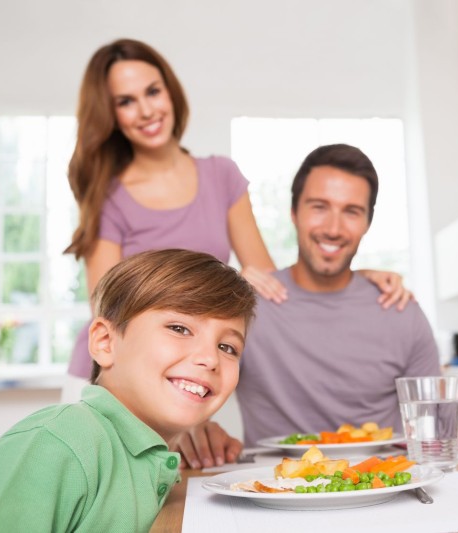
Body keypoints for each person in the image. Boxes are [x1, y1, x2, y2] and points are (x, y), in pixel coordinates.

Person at [64, 38, 411, 386]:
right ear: (111, 115)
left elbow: (272, 286)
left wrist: (351, 279)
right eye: (126, 101)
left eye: (153, 92)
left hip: (190, 371)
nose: (146, 110)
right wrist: (225, 281)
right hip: (114, 374)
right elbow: (107, 306)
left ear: (170, 92)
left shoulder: (221, 176)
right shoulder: (108, 195)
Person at [0, 249, 256, 533]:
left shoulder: (158, 456)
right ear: (105, 343)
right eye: (179, 328)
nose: (210, 358)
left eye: (228, 347)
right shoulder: (55, 442)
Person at [175, 143, 441, 469]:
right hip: (275, 487)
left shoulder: (401, 309)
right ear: (294, 212)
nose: (333, 228)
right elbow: (188, 386)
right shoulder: (248, 306)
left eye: (351, 211)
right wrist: (192, 428)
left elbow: (436, 424)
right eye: (319, 207)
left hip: (386, 483)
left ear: (368, 223)